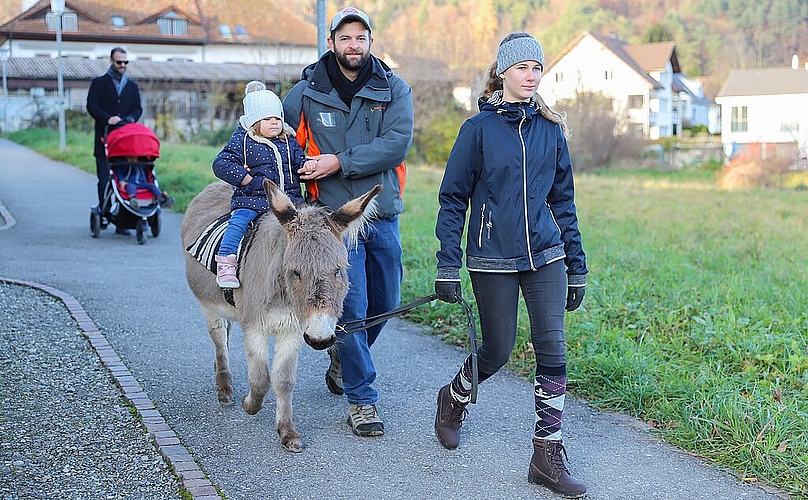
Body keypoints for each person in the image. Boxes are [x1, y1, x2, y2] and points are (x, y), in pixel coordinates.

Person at [433, 32, 588, 498]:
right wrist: (447, 263)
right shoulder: (477, 131)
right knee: (497, 351)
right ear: (502, 72)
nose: (531, 75)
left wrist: (576, 265)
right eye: (522, 67)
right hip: (492, 256)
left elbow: (564, 202)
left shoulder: (550, 130)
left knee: (553, 350)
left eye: (537, 68)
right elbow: (452, 198)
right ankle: (453, 398)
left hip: (546, 254)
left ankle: (546, 452)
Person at [283, 6, 413, 437]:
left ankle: (342, 353)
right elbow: (283, 143)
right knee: (351, 306)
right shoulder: (305, 92)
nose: (353, 45)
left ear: (371, 42)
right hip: (332, 223)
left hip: (383, 213)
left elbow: (395, 144)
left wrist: (338, 161)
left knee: (385, 303)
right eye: (345, 38)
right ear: (331, 42)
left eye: (360, 38)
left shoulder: (394, 89)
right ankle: (363, 399)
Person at [212, 87, 311, 288]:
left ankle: (310, 264)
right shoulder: (245, 141)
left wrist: (306, 165)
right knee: (238, 222)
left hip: (291, 200)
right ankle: (226, 262)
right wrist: (245, 179)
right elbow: (221, 164)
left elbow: (299, 161)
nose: (274, 122)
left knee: (311, 224)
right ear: (254, 122)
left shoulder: (288, 141)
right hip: (253, 199)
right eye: (267, 119)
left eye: (277, 117)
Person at [86, 47, 143, 235]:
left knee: (123, 179)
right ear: (111, 62)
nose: (123, 65)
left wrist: (130, 118)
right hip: (104, 139)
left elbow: (137, 108)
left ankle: (123, 220)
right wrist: (107, 118)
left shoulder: (132, 86)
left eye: (126, 62)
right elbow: (91, 106)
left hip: (125, 142)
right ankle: (103, 212)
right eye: (119, 62)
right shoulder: (99, 83)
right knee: (104, 180)